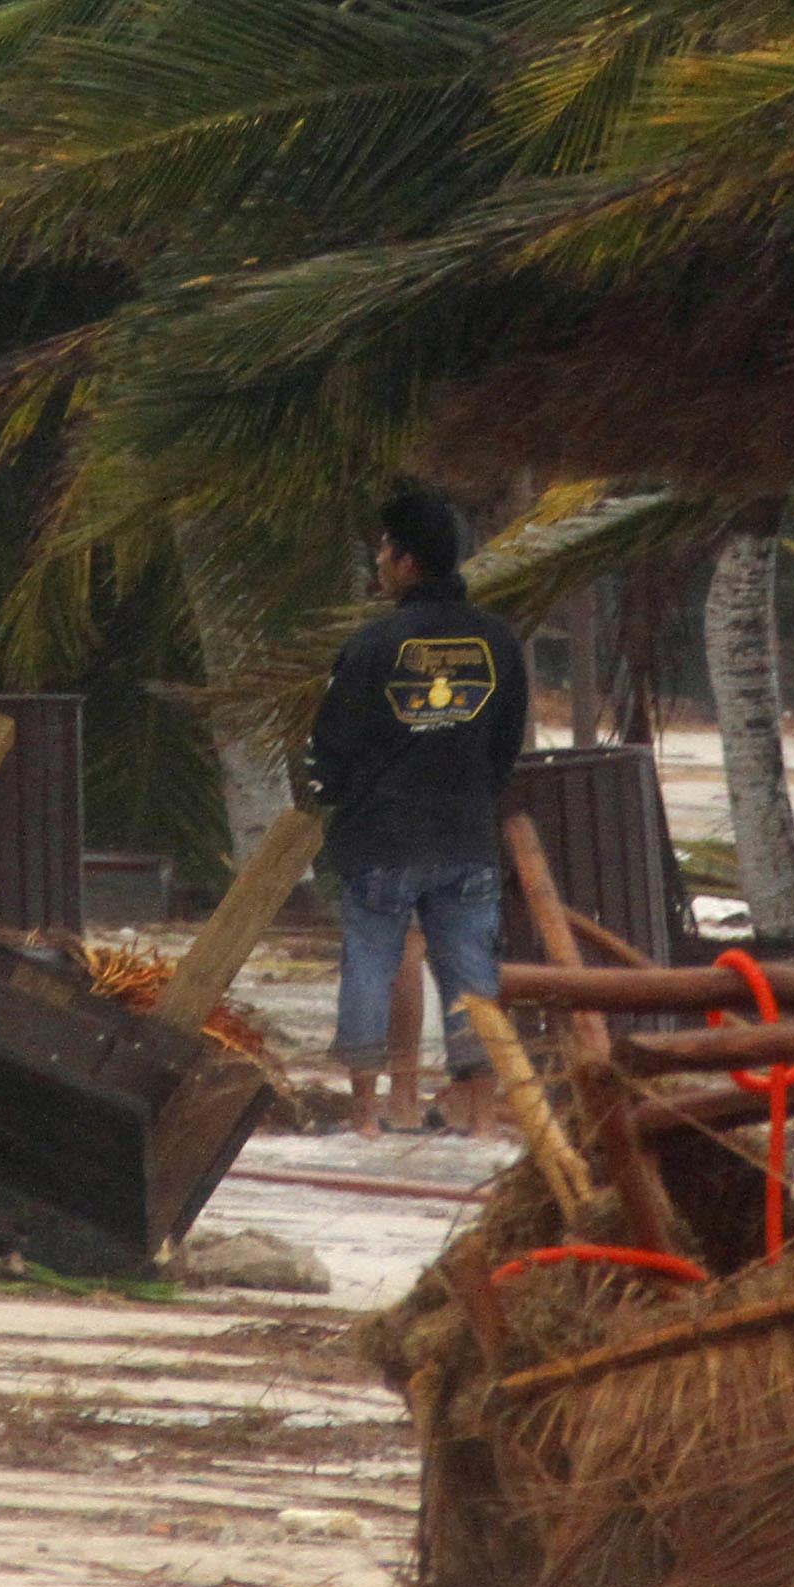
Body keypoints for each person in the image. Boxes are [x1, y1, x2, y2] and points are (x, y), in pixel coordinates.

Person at [307, 486, 534, 1140]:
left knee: (372, 966)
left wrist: (340, 800)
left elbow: (330, 746)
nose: (378, 560)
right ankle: (484, 1122)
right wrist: (470, 793)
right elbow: (505, 743)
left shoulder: (373, 645)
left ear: (407, 563)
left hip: (381, 839)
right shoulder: (497, 641)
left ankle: (365, 1118)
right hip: (466, 837)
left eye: (383, 548)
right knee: (473, 978)